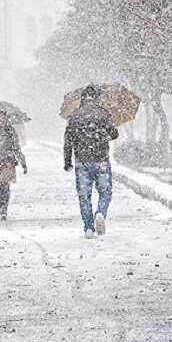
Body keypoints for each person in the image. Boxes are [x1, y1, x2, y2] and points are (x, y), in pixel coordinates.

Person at [63, 84, 119, 239]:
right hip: (101, 159)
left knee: (84, 195)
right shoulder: (103, 113)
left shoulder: (75, 116)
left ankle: (88, 228)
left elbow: (68, 141)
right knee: (105, 192)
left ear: (83, 98)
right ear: (97, 98)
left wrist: (67, 161)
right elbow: (114, 134)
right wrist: (103, 135)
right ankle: (100, 212)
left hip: (82, 161)